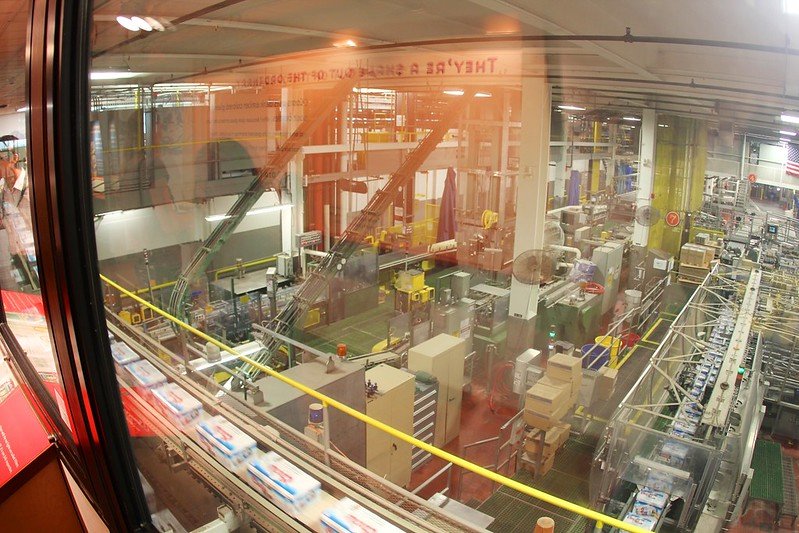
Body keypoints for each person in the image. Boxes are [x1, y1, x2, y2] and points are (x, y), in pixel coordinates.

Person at [0, 153, 37, 291]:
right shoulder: (4, 191)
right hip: (18, 257)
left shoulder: (33, 183)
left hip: (37, 253)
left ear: (10, 160)